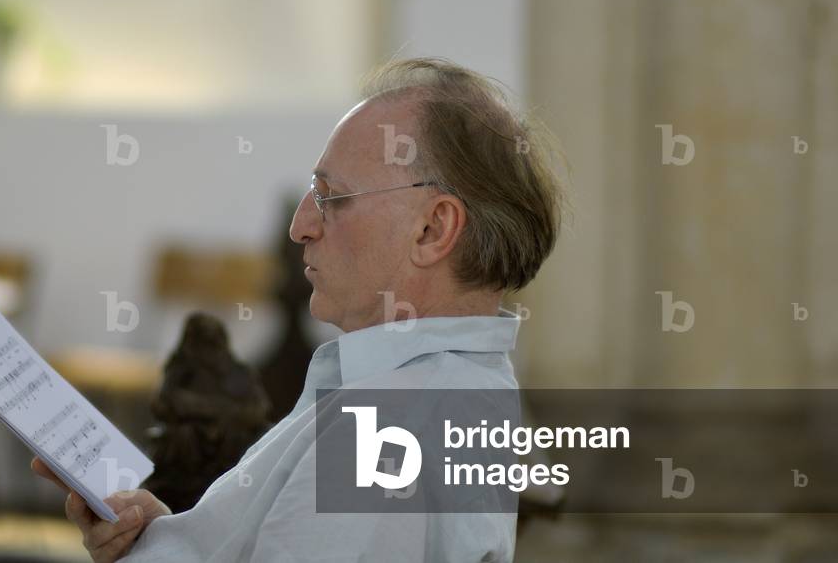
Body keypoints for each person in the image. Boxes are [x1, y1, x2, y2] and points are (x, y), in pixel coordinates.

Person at [32, 57, 567, 562]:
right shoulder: (441, 386)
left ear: (432, 229)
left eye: (332, 197)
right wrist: (159, 542)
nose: (300, 226)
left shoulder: (384, 425)